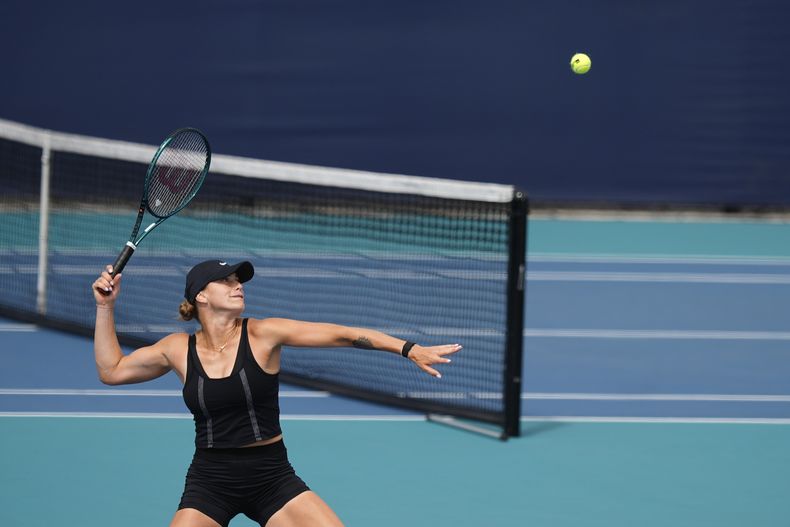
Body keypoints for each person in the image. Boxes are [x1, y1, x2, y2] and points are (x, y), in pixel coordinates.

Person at [92, 259, 461, 527]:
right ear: (201, 296)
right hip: (210, 480)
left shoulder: (263, 334)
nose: (238, 285)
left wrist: (409, 349)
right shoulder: (176, 349)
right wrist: (105, 307)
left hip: (270, 476)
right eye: (226, 280)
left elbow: (344, 335)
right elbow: (112, 371)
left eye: (239, 280)